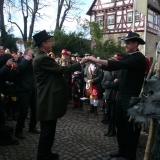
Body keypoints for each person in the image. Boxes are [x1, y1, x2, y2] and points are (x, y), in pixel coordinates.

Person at [86, 31, 146, 160]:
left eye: (128, 43)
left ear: (136, 44)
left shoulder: (138, 58)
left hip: (132, 98)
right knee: (120, 125)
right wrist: (95, 63)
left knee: (131, 129)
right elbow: (112, 67)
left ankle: (130, 155)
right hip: (122, 96)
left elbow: (118, 64)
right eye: (125, 43)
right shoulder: (128, 57)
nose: (125, 45)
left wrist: (96, 59)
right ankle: (122, 150)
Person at [32, 30, 87, 160]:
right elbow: (62, 70)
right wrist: (81, 63)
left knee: (49, 130)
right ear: (44, 43)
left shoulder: (42, 57)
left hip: (47, 97)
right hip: (47, 99)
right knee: (47, 131)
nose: (52, 43)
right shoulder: (43, 58)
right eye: (50, 41)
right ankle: (42, 155)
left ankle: (46, 153)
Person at [13, 48, 40, 139]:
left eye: (32, 54)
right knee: (23, 112)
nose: (32, 56)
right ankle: (18, 131)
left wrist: (33, 62)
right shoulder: (20, 61)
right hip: (23, 91)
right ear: (25, 55)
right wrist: (26, 60)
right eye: (30, 54)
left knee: (35, 110)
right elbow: (19, 70)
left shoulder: (32, 63)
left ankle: (32, 127)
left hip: (33, 89)